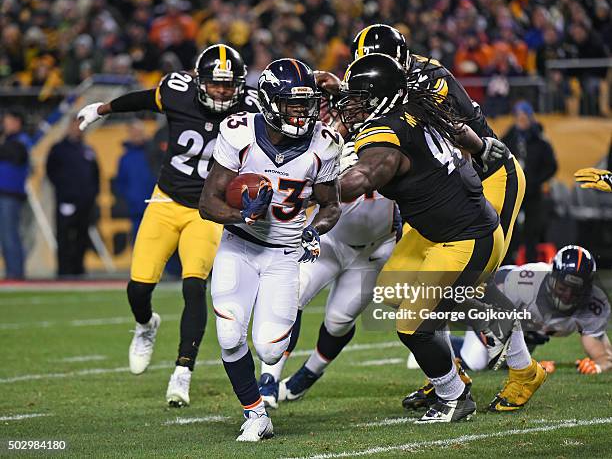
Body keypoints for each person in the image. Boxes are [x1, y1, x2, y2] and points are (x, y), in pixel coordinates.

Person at [336, 53, 546, 422]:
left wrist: (313, 187)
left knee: (450, 303)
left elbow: (368, 175)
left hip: (479, 205)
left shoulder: (403, 113)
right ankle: (450, 368)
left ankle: (493, 378)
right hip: (444, 212)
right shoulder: (415, 102)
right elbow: (457, 133)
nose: (350, 102)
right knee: (393, 289)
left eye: (358, 94)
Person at [76, 44, 260, 407]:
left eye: (229, 85)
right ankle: (146, 326)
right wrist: (102, 109)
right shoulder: (177, 92)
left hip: (207, 211)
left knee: (194, 288)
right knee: (138, 289)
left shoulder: (253, 107)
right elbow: (144, 98)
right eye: (215, 84)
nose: (223, 91)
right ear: (198, 81)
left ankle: (182, 372)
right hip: (165, 201)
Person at [199, 58, 342, 441]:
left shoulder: (324, 145)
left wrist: (314, 231)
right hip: (239, 247)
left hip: (284, 254)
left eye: (306, 104)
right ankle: (256, 413)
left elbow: (331, 206)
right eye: (292, 105)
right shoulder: (239, 132)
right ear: (267, 101)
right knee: (229, 331)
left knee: (269, 350)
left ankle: (265, 386)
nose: (302, 113)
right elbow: (207, 202)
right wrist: (239, 215)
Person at [258, 150, 401, 408]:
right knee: (293, 293)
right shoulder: (335, 141)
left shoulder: (395, 141)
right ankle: (269, 377)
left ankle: (307, 375)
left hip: (374, 250)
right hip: (329, 239)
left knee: (338, 322)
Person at [456, 246, 611, 375]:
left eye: (576, 290)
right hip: (492, 308)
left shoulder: (593, 304)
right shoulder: (526, 283)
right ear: (552, 278)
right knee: (476, 361)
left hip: (525, 332)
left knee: (509, 362)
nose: (568, 296)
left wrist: (596, 367)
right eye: (563, 288)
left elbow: (604, 358)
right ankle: (444, 345)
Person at [503, 101, 557, 263]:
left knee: (532, 233)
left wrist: (536, 181)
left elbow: (551, 166)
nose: (521, 119)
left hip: (533, 194)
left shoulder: (540, 140)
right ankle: (506, 267)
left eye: (524, 116)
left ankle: (531, 268)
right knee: (509, 230)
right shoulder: (510, 138)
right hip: (514, 191)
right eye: (518, 116)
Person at [46, 119, 99, 276]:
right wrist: (64, 191)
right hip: (66, 200)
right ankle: (63, 269)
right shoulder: (58, 149)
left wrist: (92, 194)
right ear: (69, 127)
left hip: (85, 202)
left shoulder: (88, 150)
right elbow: (51, 172)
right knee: (64, 235)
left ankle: (78, 269)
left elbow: (96, 174)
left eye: (81, 127)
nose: (78, 130)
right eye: (75, 126)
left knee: (82, 235)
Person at [114, 120, 157, 240]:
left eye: (138, 132)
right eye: (133, 132)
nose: (136, 135)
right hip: (136, 210)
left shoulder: (153, 153)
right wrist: (130, 199)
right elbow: (121, 183)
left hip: (157, 207)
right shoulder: (125, 158)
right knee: (139, 242)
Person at [0, 110, 30, 279]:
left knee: (10, 235)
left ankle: (15, 273)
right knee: (6, 235)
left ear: (18, 122)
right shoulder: (9, 141)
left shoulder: (21, 140)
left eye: (8, 120)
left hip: (10, 194)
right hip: (5, 193)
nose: (5, 123)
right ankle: (13, 271)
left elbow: (15, 154)